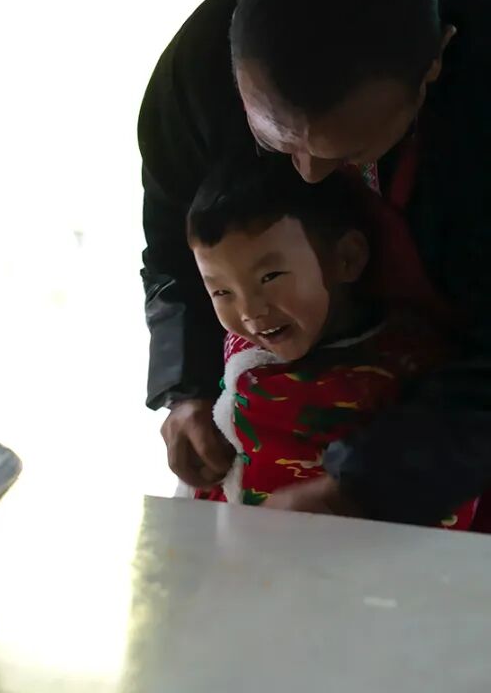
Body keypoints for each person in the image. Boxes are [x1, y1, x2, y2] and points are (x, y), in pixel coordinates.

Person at [139, 0, 491, 526]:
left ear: (435, 62)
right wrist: (187, 385)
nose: (308, 175)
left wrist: (371, 485)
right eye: (277, 142)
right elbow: (176, 247)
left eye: (347, 152)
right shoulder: (195, 75)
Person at [181, 156, 476, 529]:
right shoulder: (239, 347)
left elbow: (445, 497)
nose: (250, 311)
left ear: (347, 259)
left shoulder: (409, 370)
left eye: (270, 277)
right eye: (221, 291)